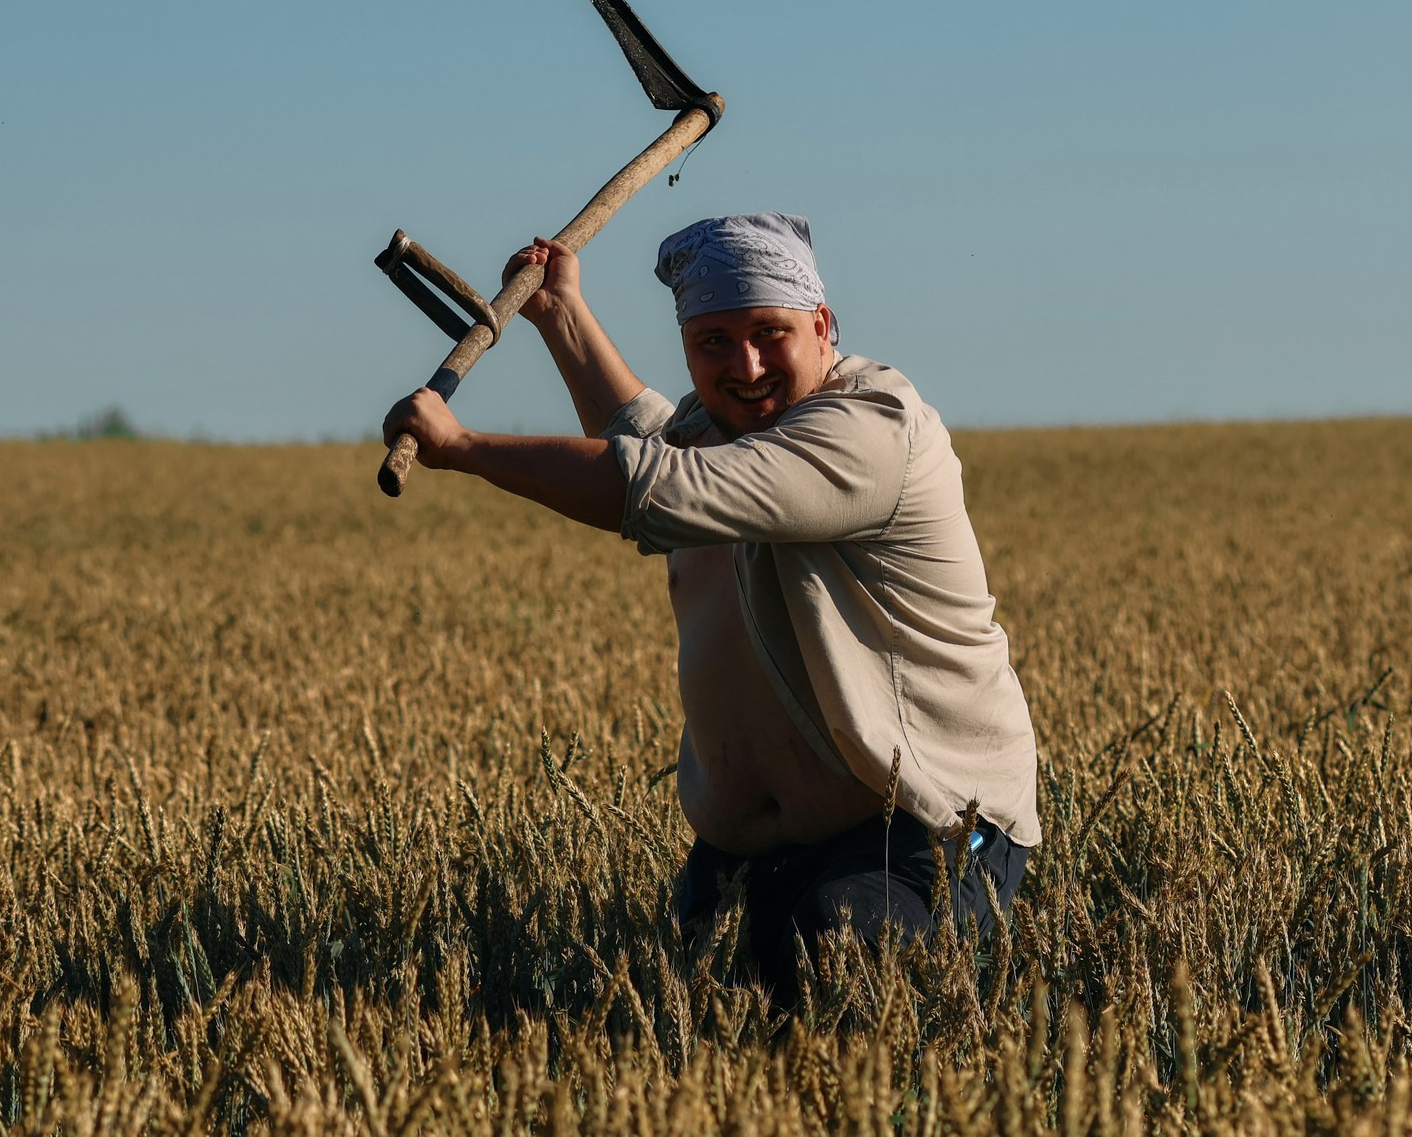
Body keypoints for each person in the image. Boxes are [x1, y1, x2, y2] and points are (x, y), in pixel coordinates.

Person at [382, 212, 1038, 1005]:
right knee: (674, 1016)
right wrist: (559, 315)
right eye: (715, 344)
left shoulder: (870, 432)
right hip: (754, 856)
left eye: (771, 334)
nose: (747, 364)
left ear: (823, 327)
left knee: (844, 971)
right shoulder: (732, 436)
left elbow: (664, 486)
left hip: (920, 837)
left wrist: (465, 449)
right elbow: (651, 438)